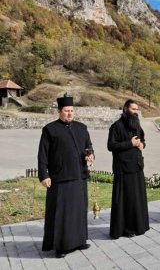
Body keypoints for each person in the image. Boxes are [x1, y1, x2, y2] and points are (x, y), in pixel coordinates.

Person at [37, 94, 93, 258]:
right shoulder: (50, 130)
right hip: (60, 178)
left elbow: (88, 146)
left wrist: (90, 154)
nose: (70, 114)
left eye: (72, 111)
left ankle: (79, 241)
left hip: (79, 176)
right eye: (66, 111)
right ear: (59, 112)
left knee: (79, 210)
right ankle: (61, 247)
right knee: (61, 214)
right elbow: (42, 155)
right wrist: (43, 175)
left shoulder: (82, 128)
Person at [108, 99, 149, 239]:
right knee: (126, 199)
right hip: (123, 168)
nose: (135, 112)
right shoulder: (116, 126)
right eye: (133, 109)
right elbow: (111, 146)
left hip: (136, 166)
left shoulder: (136, 125)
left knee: (137, 198)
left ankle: (139, 225)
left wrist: (142, 145)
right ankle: (125, 228)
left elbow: (143, 139)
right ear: (125, 109)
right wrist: (129, 143)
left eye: (137, 109)